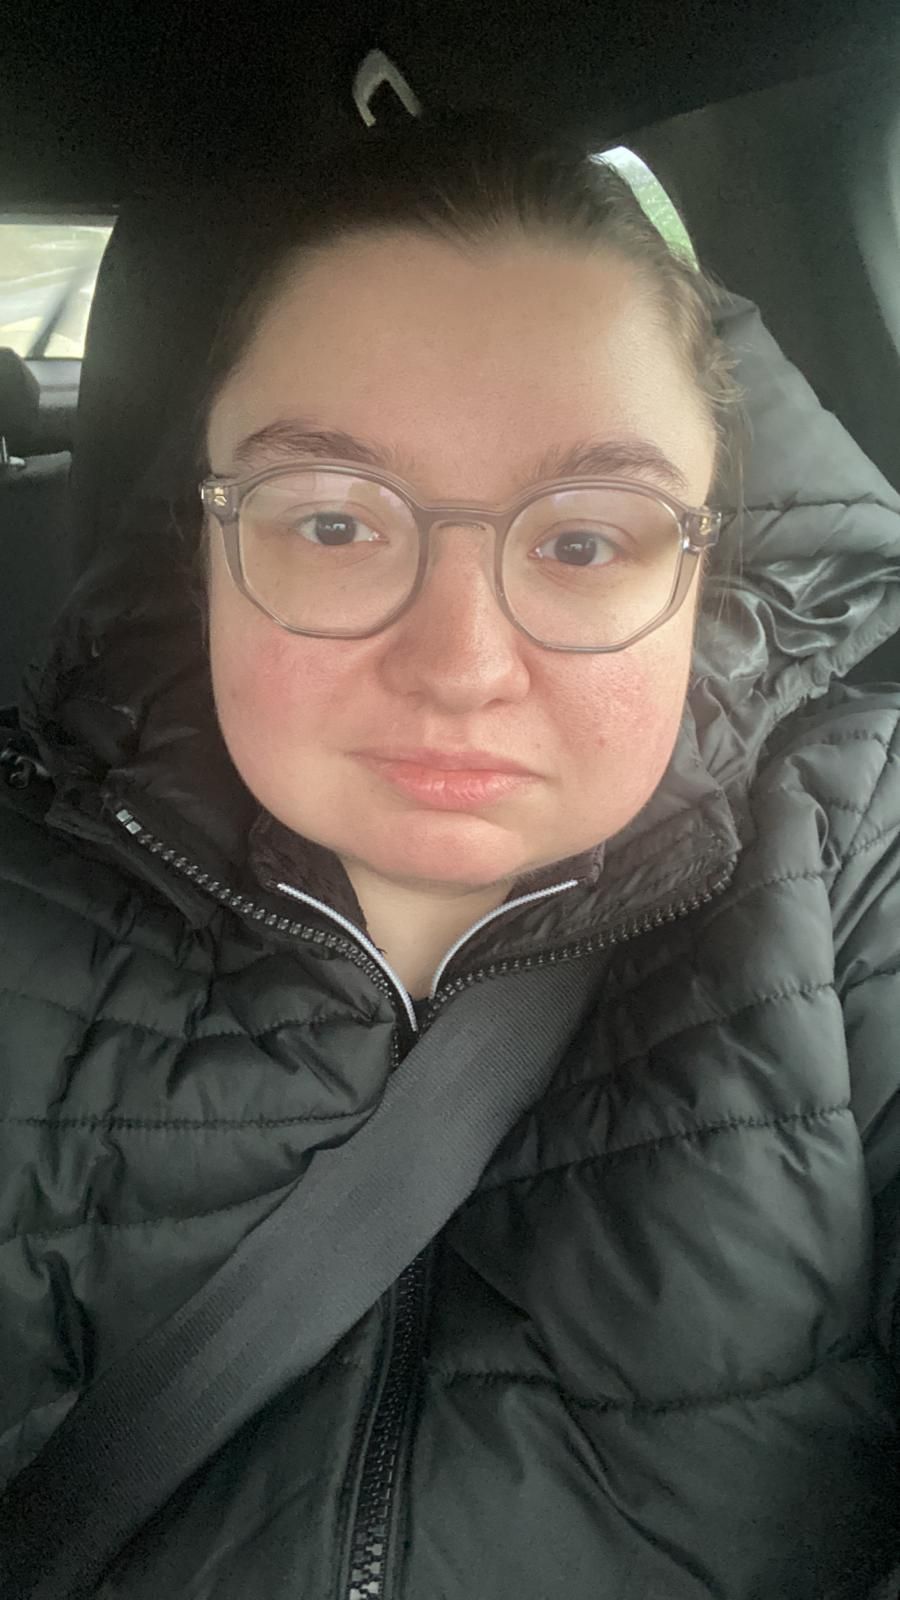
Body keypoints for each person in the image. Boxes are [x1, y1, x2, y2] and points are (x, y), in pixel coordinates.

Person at [2, 106, 900, 1599]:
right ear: (206, 538)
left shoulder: (861, 850)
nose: (461, 667)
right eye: (335, 525)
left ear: (707, 559)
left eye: (584, 541)